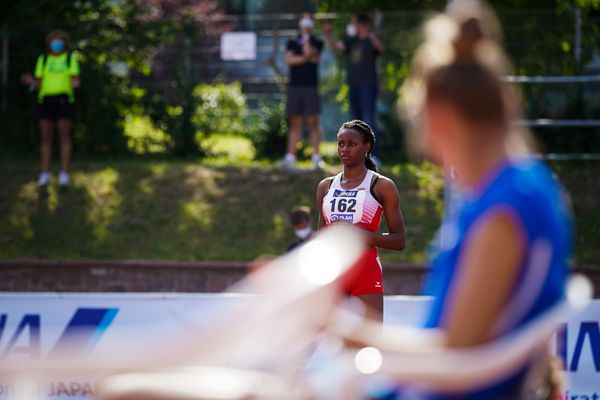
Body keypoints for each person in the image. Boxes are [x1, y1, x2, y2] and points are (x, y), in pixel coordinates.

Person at [390, 4, 572, 398]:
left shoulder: (502, 210)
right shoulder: (530, 187)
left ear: (440, 119)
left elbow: (457, 352)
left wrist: (348, 338)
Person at [316, 120, 405, 320]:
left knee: (369, 345)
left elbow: (399, 240)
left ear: (367, 147)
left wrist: (357, 234)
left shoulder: (381, 185)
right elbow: (320, 238)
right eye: (341, 143)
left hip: (365, 272)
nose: (344, 149)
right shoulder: (325, 186)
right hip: (333, 271)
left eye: (352, 144)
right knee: (328, 345)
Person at [322, 14, 384, 165]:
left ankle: (373, 155)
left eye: (354, 23)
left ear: (361, 24)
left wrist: (370, 33)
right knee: (355, 123)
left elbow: (381, 48)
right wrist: (328, 33)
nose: (351, 27)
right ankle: (358, 156)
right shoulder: (352, 42)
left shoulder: (371, 41)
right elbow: (335, 46)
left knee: (369, 120)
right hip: (353, 87)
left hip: (368, 87)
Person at [21, 30, 80, 187]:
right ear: (49, 43)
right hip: (45, 101)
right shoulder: (44, 60)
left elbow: (75, 80)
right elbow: (38, 84)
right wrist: (31, 82)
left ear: (64, 43)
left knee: (64, 138)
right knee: (46, 138)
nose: (57, 44)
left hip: (64, 101)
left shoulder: (69, 59)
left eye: (59, 41)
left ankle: (64, 174)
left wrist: (75, 84)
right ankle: (45, 173)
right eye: (54, 41)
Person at [282, 12, 324, 171]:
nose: (306, 22)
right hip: (295, 87)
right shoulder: (292, 41)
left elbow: (309, 53)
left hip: (311, 87)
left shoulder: (317, 41)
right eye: (303, 18)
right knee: (294, 123)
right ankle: (290, 158)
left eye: (309, 19)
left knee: (313, 122)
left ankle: (316, 159)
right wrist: (307, 59)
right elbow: (289, 60)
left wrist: (306, 39)